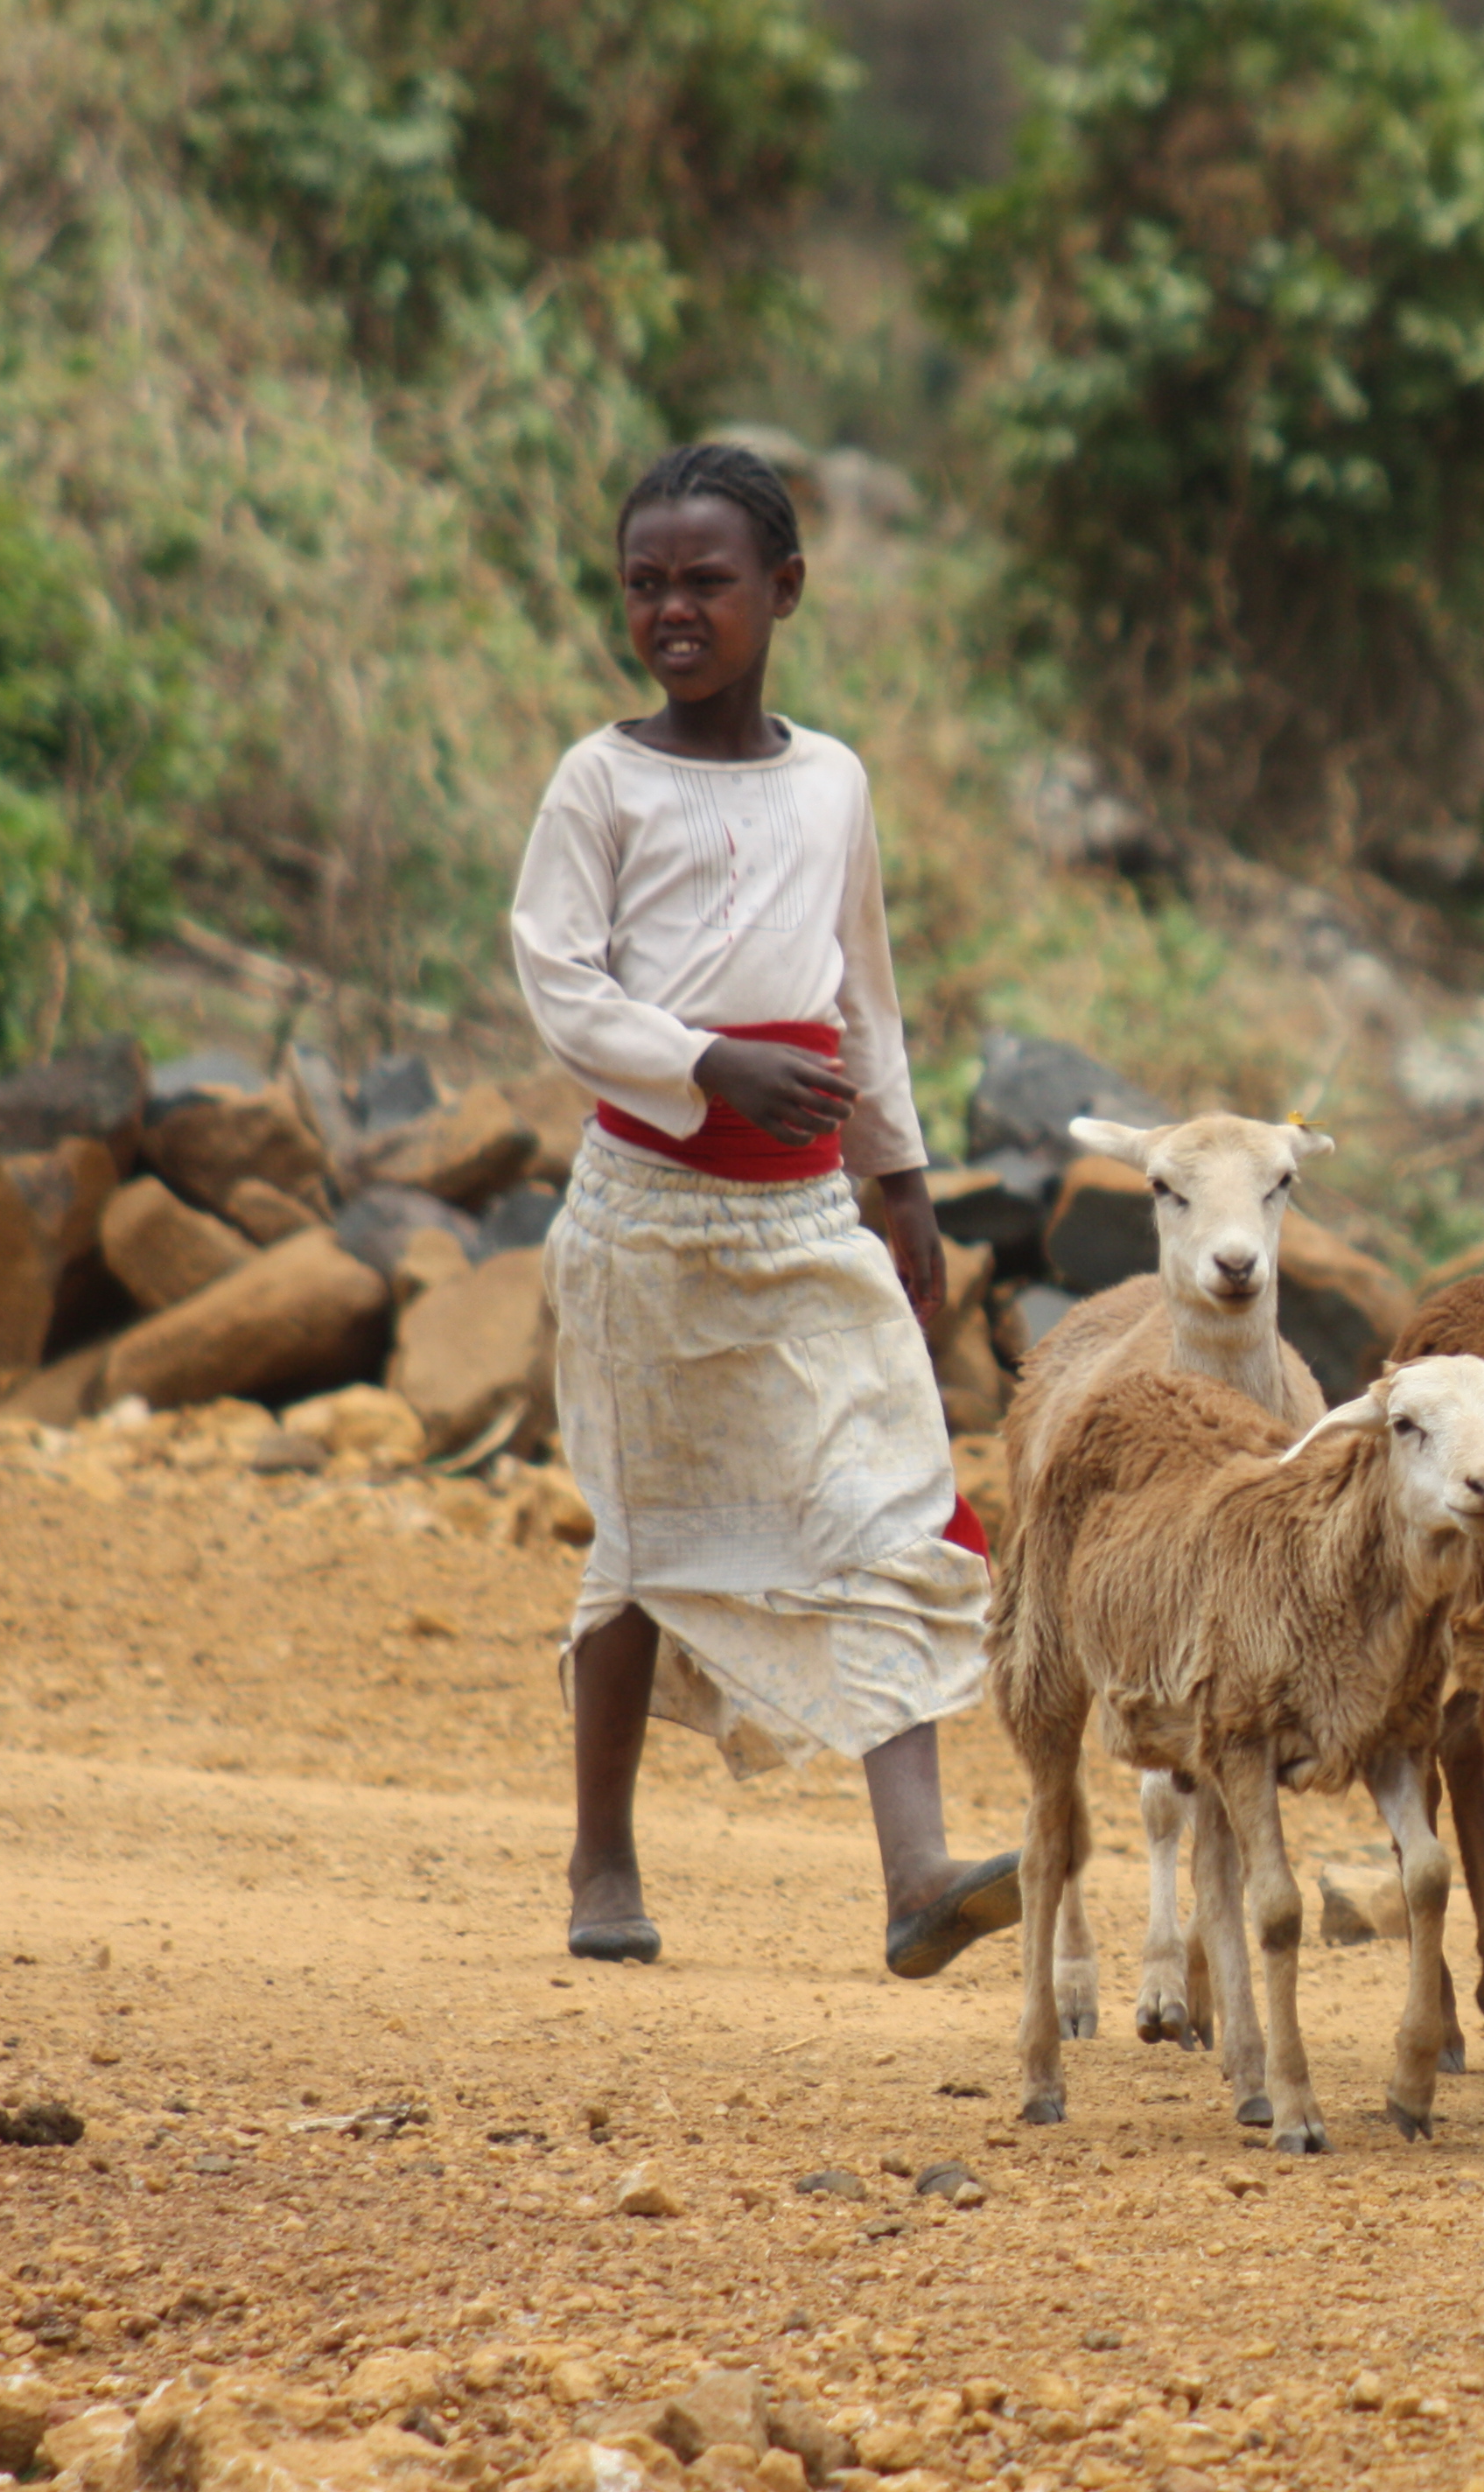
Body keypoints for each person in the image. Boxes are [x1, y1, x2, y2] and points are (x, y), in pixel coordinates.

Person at [511, 440, 1018, 1980]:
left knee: (890, 1497)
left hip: (804, 1221)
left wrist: (904, 1178)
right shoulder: (601, 781)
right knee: (647, 1541)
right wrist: (703, 1062)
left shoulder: (832, 780)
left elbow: (864, 994)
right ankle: (603, 1852)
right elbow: (557, 980)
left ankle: (917, 1872)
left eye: (707, 581)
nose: (673, 609)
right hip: (647, 1218)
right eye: (645, 583)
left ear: (783, 590)